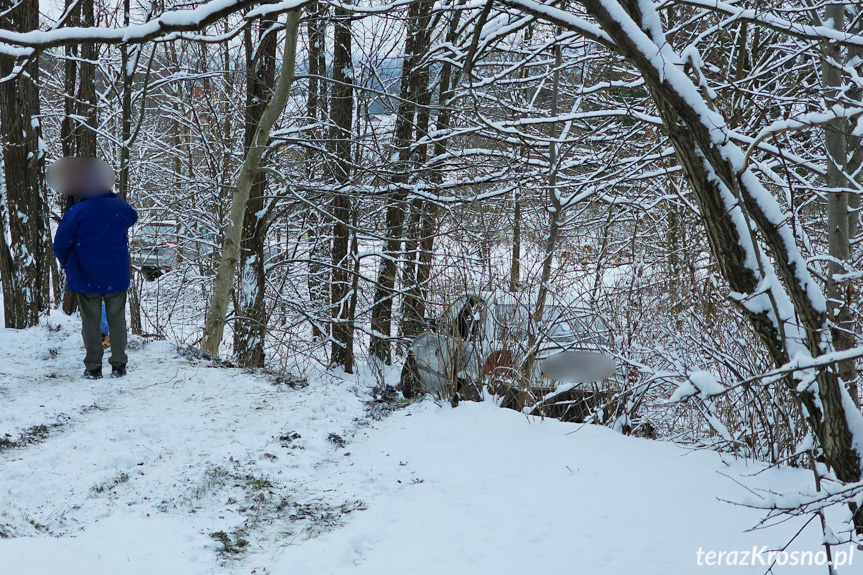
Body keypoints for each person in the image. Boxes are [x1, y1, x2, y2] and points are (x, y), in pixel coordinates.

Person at [50, 157, 138, 379]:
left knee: (90, 322)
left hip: (87, 274)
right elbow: (132, 216)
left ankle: (93, 368)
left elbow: (60, 244)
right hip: (116, 275)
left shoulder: (77, 211)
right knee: (117, 319)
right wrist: (111, 195)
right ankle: (119, 366)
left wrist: (70, 263)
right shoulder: (117, 206)